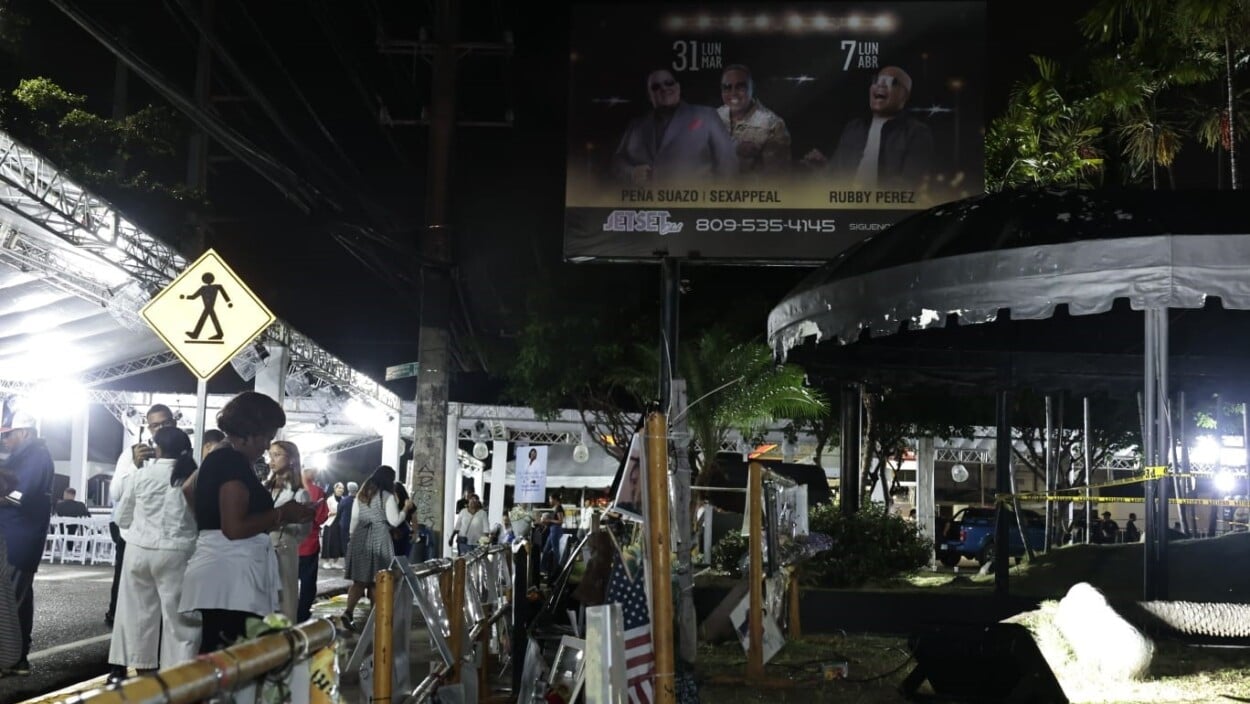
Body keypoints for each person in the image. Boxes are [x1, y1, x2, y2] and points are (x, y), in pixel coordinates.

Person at [178, 392, 314, 653]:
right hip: (232, 575)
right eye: (266, 437)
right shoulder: (231, 461)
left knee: (222, 654)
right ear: (248, 432)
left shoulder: (220, 455)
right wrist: (283, 514)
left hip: (223, 571)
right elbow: (234, 528)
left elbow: (188, 490)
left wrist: (209, 524)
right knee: (233, 657)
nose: (267, 445)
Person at [108, 426, 200, 682]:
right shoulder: (192, 477)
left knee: (138, 616)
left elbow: (121, 518)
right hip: (177, 553)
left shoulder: (140, 475)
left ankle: (145, 679)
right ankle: (178, 680)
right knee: (179, 622)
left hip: (138, 551)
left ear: (157, 448)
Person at [805, 66, 933, 189]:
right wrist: (823, 168)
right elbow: (835, 177)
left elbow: (910, 186)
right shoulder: (854, 128)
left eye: (891, 82)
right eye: (877, 80)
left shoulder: (917, 133)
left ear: (904, 96)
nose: (881, 84)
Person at [107, 404, 175, 628]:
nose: (160, 429)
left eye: (165, 423)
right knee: (127, 592)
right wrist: (135, 466)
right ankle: (117, 625)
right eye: (155, 425)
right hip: (133, 534)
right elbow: (116, 493)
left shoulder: (184, 450)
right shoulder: (133, 452)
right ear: (148, 428)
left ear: (174, 423)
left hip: (169, 535)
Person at [612, 68, 738, 185]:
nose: (664, 88)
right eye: (656, 87)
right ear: (649, 96)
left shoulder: (707, 116)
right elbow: (617, 161)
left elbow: (728, 164)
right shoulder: (636, 126)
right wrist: (631, 173)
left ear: (678, 87)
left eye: (669, 83)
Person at [0, 408, 53, 676]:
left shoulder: (36, 456)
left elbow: (20, 495)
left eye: (9, 435)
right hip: (15, 536)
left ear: (24, 433)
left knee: (10, 600)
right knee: (16, 598)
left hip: (20, 538)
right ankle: (17, 658)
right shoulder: (23, 456)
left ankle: (9, 659)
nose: (5, 440)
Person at [342, 466, 408, 630]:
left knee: (359, 580)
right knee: (377, 580)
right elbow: (394, 521)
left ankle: (348, 612)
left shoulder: (362, 494)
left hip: (360, 535)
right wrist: (405, 509)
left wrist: (352, 537)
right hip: (380, 537)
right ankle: (375, 619)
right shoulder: (387, 496)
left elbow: (354, 518)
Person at [716, 64, 791, 176]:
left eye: (740, 87)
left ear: (752, 88)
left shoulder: (773, 125)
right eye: (727, 87)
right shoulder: (715, 116)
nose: (733, 93)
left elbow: (776, 179)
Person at [266, 440, 311, 622]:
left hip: (284, 548)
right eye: (270, 455)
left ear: (291, 459)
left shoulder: (299, 493)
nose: (272, 460)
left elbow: (304, 531)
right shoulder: (265, 487)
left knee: (284, 595)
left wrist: (285, 537)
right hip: (262, 548)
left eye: (277, 455)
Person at [296, 467, 329, 623]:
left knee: (286, 583)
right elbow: (321, 517)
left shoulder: (288, 488)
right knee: (307, 583)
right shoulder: (317, 491)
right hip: (309, 543)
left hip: (286, 545)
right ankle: (302, 615)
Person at [321, 482, 346, 569]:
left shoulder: (344, 499)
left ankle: (335, 562)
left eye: (342, 488)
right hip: (330, 523)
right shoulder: (330, 499)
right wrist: (336, 512)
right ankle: (326, 562)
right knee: (328, 542)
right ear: (335, 489)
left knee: (338, 544)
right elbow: (326, 513)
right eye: (339, 488)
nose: (341, 490)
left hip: (340, 524)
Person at [390, 482, 417, 560]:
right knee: (402, 558)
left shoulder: (393, 503)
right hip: (402, 533)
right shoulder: (409, 503)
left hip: (398, 533)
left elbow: (414, 520)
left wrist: (415, 533)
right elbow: (414, 520)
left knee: (397, 557)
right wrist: (415, 533)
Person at [541, 495, 566, 576]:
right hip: (553, 529)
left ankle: (557, 569)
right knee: (546, 549)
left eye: (550, 499)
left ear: (555, 499)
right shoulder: (556, 508)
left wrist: (549, 520)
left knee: (555, 550)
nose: (549, 501)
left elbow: (560, 521)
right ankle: (543, 569)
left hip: (556, 530)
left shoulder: (559, 508)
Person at [337, 481, 359, 566]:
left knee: (345, 545)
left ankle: (347, 564)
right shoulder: (360, 500)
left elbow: (339, 512)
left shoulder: (344, 500)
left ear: (348, 489)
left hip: (345, 525)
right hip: (357, 525)